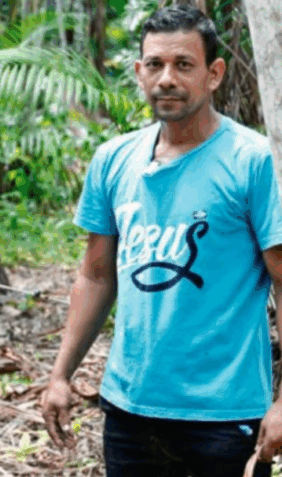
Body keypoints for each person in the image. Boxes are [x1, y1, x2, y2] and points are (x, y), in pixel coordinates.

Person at [40, 5, 282, 476]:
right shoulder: (113, 159)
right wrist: (60, 375)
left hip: (224, 415)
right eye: (154, 65)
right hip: (130, 409)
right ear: (138, 71)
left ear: (214, 74)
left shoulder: (253, 161)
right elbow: (95, 274)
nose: (166, 78)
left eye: (183, 65)